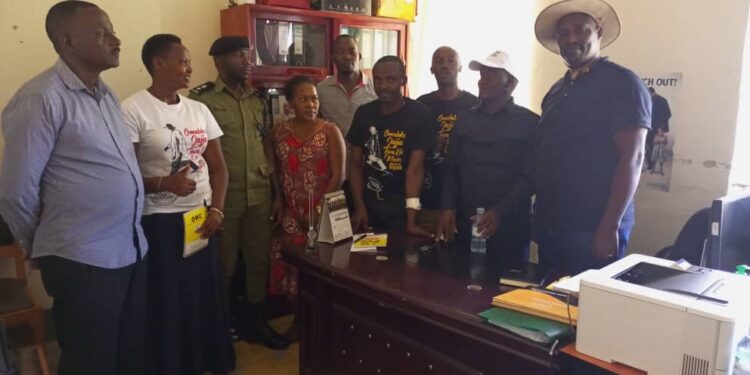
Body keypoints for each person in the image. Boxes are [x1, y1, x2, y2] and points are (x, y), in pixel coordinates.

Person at [0, 2, 148, 374]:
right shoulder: (40, 99)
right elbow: (15, 193)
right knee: (90, 360)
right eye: (102, 32)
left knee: (125, 352)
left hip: (127, 248)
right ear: (67, 41)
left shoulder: (106, 94)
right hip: (82, 258)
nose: (116, 40)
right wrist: (46, 246)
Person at [121, 34, 234, 375]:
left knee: (202, 296)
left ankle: (206, 360)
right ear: (158, 63)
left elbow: (218, 168)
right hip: (160, 221)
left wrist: (217, 209)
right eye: (182, 61)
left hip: (201, 219)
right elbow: (123, 177)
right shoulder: (132, 110)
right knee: (169, 299)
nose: (189, 68)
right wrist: (163, 184)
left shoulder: (198, 109)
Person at [533, 0, 651, 275]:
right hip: (552, 224)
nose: (571, 38)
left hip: (593, 227)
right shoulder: (556, 90)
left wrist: (609, 226)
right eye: (563, 32)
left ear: (597, 31)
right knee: (546, 304)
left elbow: (632, 158)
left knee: (586, 309)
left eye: (580, 29)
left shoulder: (622, 84)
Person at [189, 36, 289, 350]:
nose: (247, 61)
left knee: (258, 262)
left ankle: (255, 323)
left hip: (258, 194)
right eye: (238, 56)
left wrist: (277, 194)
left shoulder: (258, 99)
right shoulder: (201, 101)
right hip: (224, 198)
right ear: (218, 61)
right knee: (223, 265)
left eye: (248, 55)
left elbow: (267, 147)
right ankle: (219, 328)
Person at [437, 51, 539, 267]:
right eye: (481, 76)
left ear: (510, 83)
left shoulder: (528, 123)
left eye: (490, 77)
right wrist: (447, 208)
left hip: (510, 224)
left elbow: (530, 177)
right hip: (468, 221)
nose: (482, 82)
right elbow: (451, 168)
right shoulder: (464, 119)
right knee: (461, 282)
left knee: (505, 290)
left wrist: (500, 211)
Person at [269, 75, 345, 333]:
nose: (311, 104)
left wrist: (317, 212)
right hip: (292, 212)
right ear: (289, 102)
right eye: (303, 99)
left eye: (314, 98)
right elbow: (274, 171)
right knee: (294, 267)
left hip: (325, 212)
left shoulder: (330, 131)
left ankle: (325, 325)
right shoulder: (278, 132)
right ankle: (299, 320)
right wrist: (279, 200)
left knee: (323, 269)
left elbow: (339, 175)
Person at [347, 56, 436, 236]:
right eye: (378, 80)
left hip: (403, 210)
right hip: (368, 208)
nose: (383, 86)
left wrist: (411, 221)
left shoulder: (420, 115)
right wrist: (359, 205)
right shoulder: (364, 113)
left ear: (403, 81)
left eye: (391, 79)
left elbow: (415, 170)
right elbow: (355, 164)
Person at [416, 46, 479, 231]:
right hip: (428, 201)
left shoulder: (474, 105)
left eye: (451, 60)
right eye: (439, 61)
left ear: (460, 67)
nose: (445, 65)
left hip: (465, 203)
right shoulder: (421, 105)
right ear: (431, 69)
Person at [316, 34, 378, 136]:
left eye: (351, 51)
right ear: (333, 58)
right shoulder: (321, 89)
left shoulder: (375, 88)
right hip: (332, 150)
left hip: (366, 151)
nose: (347, 57)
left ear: (360, 56)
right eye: (340, 52)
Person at [645, 86, 672, 171]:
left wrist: (661, 126)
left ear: (653, 93)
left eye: (649, 95)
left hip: (659, 127)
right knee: (648, 145)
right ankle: (649, 164)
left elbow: (668, 114)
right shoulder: (647, 100)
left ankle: (653, 166)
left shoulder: (662, 101)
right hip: (649, 126)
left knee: (656, 147)